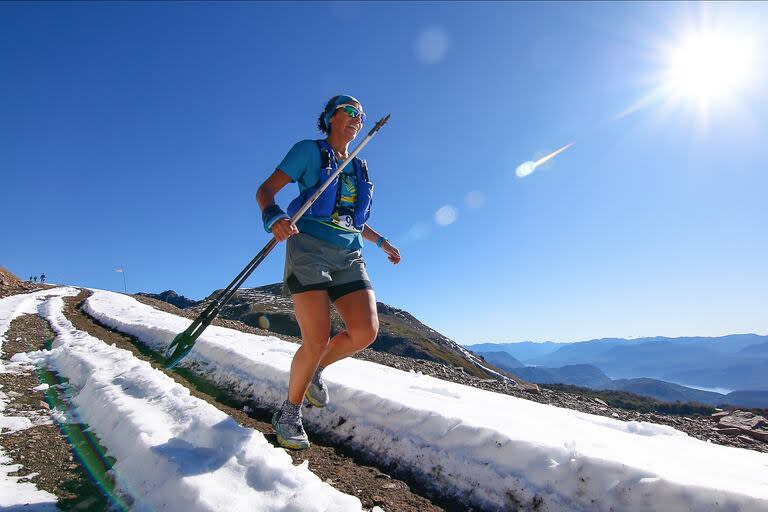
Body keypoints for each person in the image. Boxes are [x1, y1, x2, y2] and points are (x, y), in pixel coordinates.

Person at [256, 95, 400, 450]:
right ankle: (289, 412)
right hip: (309, 249)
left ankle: (316, 368)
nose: (357, 118)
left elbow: (351, 220)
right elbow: (266, 190)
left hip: (349, 254)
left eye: (361, 115)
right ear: (330, 117)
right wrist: (275, 218)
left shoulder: (359, 166)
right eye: (349, 111)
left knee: (365, 331)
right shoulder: (309, 151)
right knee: (316, 338)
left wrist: (382, 243)